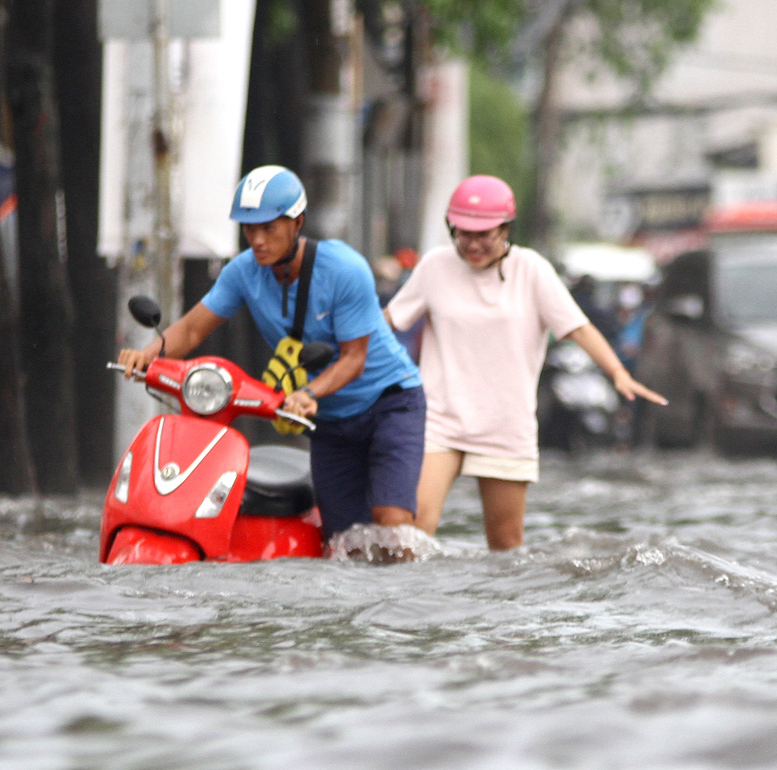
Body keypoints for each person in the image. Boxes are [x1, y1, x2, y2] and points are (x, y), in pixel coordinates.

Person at [119, 165, 426, 540]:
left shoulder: (345, 270)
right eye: (250, 229)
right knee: (345, 542)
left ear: (297, 223)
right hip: (327, 418)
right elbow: (191, 328)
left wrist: (309, 393)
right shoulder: (243, 272)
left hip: (389, 404)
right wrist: (148, 354)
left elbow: (353, 359)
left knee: (391, 526)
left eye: (269, 228)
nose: (258, 240)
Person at [385, 176, 662, 550]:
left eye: (484, 234)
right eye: (463, 233)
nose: (473, 244)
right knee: (410, 535)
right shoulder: (435, 265)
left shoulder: (531, 269)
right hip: (440, 419)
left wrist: (617, 373)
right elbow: (384, 323)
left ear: (505, 228)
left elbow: (578, 328)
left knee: (505, 544)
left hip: (505, 423)